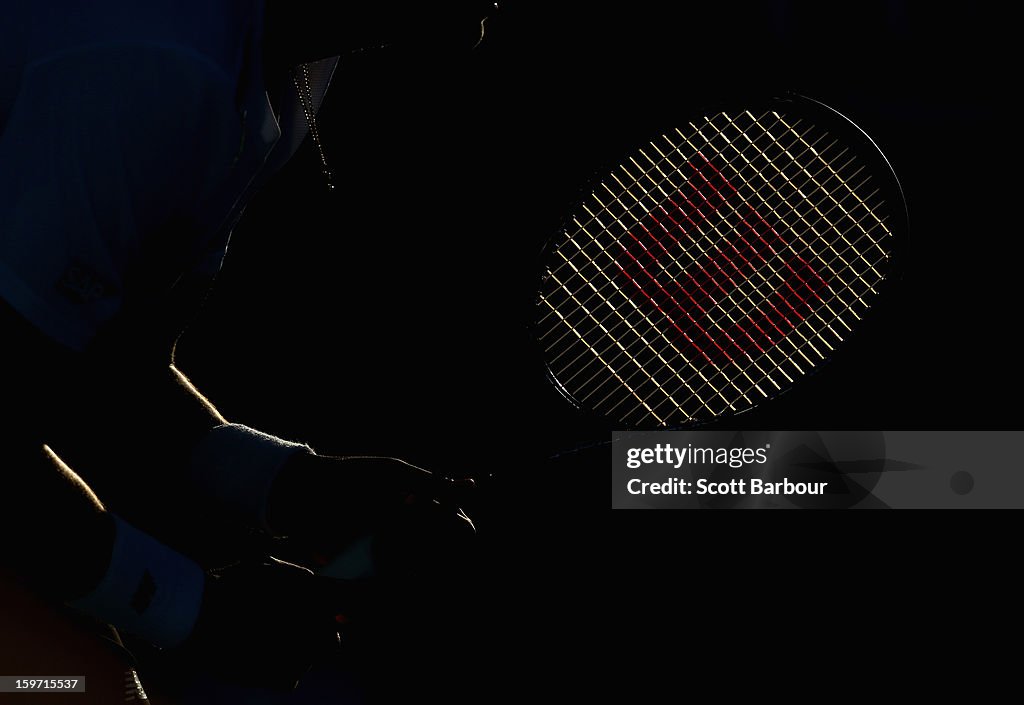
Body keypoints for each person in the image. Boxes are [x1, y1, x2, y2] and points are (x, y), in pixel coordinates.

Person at [0, 0, 495, 697]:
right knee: (75, 690)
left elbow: (119, 368)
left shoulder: (291, 60)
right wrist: (192, 610)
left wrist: (293, 487)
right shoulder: (159, 63)